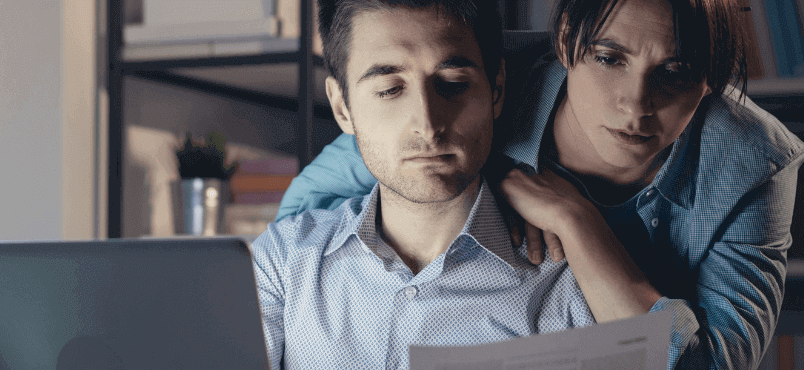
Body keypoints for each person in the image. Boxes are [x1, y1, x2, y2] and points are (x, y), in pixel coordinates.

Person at [279, 0, 804, 368]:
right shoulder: (465, 82)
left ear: (710, 77)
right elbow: (314, 210)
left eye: (675, 70)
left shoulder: (753, 162)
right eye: (608, 58)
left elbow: (711, 365)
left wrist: (576, 221)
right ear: (565, 42)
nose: (636, 104)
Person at [251, 1, 595, 369]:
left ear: (496, 90)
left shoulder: (566, 284)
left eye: (454, 84)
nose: (428, 125)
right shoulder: (284, 262)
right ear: (342, 107)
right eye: (388, 90)